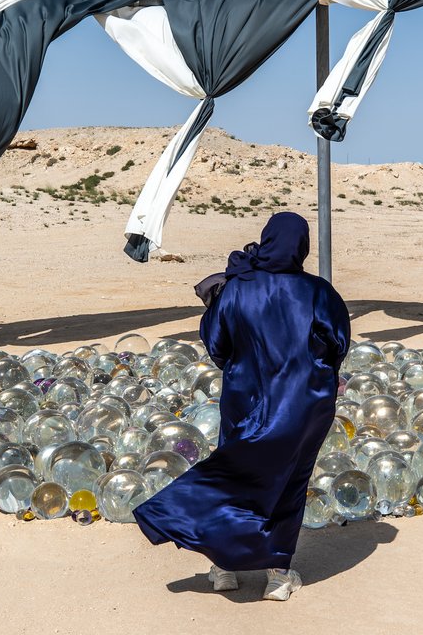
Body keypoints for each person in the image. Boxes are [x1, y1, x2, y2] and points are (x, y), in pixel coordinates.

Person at [133, 212, 351, 601]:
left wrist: (246, 366)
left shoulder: (236, 289)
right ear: (302, 246)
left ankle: (223, 568)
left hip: (244, 397)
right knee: (288, 480)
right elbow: (337, 344)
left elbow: (216, 344)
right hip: (301, 404)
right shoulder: (318, 292)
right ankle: (278, 576)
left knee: (234, 473)